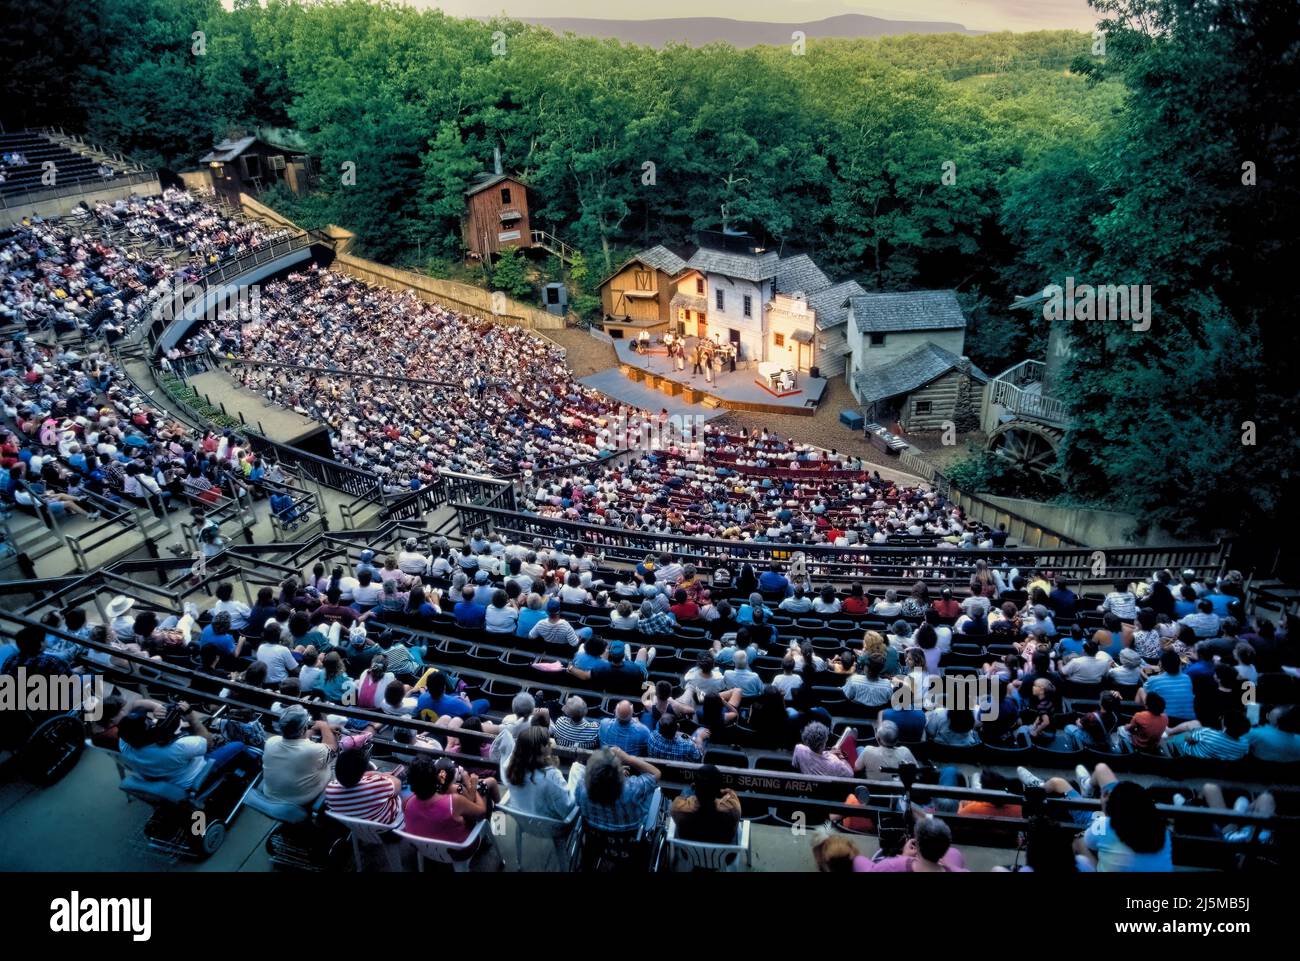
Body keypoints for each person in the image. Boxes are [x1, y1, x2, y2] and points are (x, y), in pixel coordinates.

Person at [117, 700, 260, 790]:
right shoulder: (178, 747)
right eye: (149, 723)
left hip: (167, 775)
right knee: (237, 745)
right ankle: (256, 768)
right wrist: (192, 719)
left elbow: (137, 704)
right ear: (148, 732)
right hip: (197, 774)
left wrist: (157, 708)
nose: (152, 721)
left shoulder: (124, 744)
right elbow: (208, 743)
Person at [1076, 781, 1173, 872]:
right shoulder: (1162, 829)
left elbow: (1088, 842)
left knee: (1079, 842)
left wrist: (1104, 809)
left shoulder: (1105, 824)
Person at [403, 754, 498, 845]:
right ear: (435, 778)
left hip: (424, 847)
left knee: (484, 786)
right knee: (483, 788)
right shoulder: (454, 801)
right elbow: (481, 812)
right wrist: (473, 785)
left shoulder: (407, 802)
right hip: (457, 849)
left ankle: (498, 818)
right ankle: (493, 830)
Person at [261, 705, 337, 806]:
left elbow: (297, 740)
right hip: (298, 801)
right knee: (332, 764)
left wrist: (312, 731)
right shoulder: (313, 750)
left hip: (269, 794)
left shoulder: (271, 741)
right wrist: (324, 726)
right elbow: (332, 747)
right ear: (304, 728)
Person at [575, 747, 661, 834]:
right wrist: (628, 759)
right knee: (654, 793)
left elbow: (579, 804)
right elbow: (656, 773)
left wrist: (615, 771)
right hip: (631, 832)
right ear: (618, 775)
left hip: (595, 830)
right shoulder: (632, 787)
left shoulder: (581, 787)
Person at [502, 726, 576, 821]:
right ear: (541, 749)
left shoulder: (511, 769)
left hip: (524, 821)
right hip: (552, 827)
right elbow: (567, 809)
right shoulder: (552, 776)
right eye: (547, 743)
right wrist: (576, 790)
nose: (550, 744)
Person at [855, 816, 968, 872]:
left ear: (917, 845)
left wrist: (905, 857)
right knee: (954, 854)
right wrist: (942, 864)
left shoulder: (891, 866)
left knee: (857, 860)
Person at [325, 747, 403, 824]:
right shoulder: (379, 785)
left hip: (356, 826)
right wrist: (384, 776)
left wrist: (377, 774)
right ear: (362, 773)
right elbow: (398, 784)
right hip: (386, 823)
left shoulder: (330, 790)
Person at [670, 764, 741, 844]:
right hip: (723, 854)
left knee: (686, 789)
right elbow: (731, 794)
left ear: (695, 789)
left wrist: (694, 792)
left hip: (687, 855)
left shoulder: (678, 808)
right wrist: (719, 790)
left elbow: (681, 798)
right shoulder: (733, 809)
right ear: (718, 790)